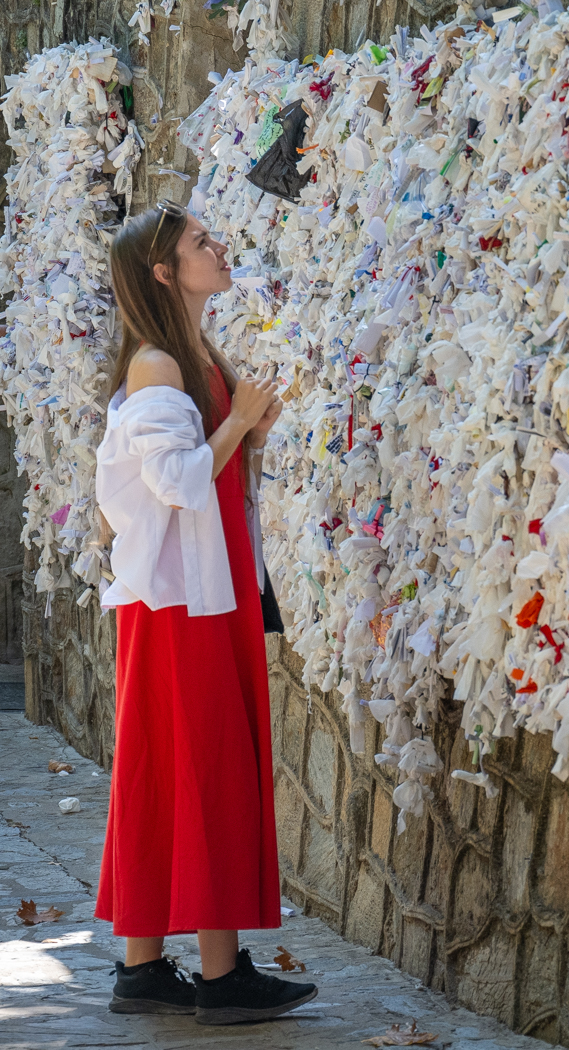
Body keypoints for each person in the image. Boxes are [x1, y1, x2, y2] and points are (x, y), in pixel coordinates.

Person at [93, 199, 316, 1025]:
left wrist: (246, 433)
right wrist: (242, 423)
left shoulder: (193, 356)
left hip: (194, 595)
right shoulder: (159, 364)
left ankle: (142, 968)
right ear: (163, 272)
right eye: (200, 243)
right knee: (208, 763)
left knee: (165, 764)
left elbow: (208, 474)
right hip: (186, 602)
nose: (218, 249)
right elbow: (180, 481)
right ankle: (222, 979)